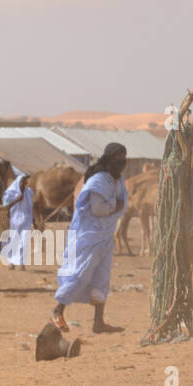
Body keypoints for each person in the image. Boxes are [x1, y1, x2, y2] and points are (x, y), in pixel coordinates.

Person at [52, 143, 127, 333]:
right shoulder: (99, 180)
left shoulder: (117, 181)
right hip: (88, 236)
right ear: (109, 159)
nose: (121, 162)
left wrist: (117, 207)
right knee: (79, 274)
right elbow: (98, 208)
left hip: (104, 237)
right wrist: (114, 207)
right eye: (118, 158)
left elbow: (123, 202)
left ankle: (98, 323)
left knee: (101, 278)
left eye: (123, 158)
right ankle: (57, 311)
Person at [0, 169, 33, 270]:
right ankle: (12, 262)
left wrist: (34, 221)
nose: (25, 183)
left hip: (26, 221)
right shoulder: (10, 193)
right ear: (19, 181)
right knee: (13, 242)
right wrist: (16, 200)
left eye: (26, 181)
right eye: (23, 181)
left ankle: (21, 263)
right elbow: (6, 206)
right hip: (13, 221)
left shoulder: (29, 192)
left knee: (24, 242)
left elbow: (31, 207)